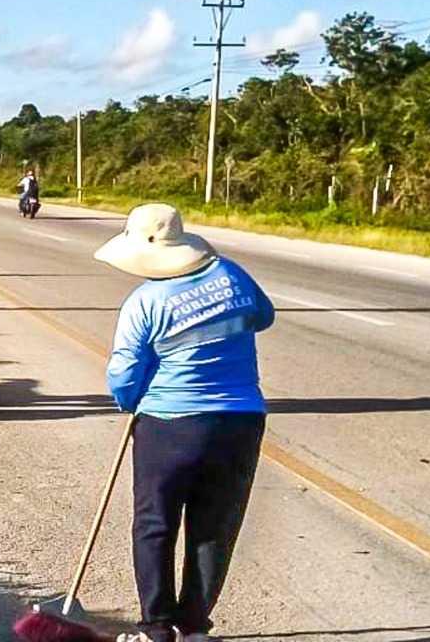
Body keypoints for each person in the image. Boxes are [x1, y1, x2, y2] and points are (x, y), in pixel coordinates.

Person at [93, 203, 275, 642]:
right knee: (214, 527)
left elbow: (123, 374)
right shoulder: (232, 275)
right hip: (241, 421)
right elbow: (264, 317)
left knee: (155, 523)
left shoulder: (144, 303)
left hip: (169, 424)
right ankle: (193, 627)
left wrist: (129, 401)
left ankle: (156, 628)